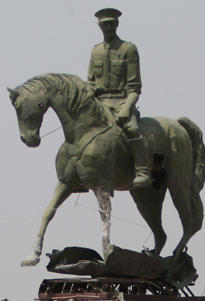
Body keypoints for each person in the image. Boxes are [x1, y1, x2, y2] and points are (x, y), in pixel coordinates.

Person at [87, 8, 151, 188]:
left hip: (122, 102)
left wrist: (127, 108)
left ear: (117, 24)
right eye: (104, 24)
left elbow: (135, 87)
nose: (107, 27)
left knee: (131, 128)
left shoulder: (128, 49)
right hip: (100, 104)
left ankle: (142, 170)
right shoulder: (95, 51)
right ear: (99, 26)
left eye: (110, 24)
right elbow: (90, 84)